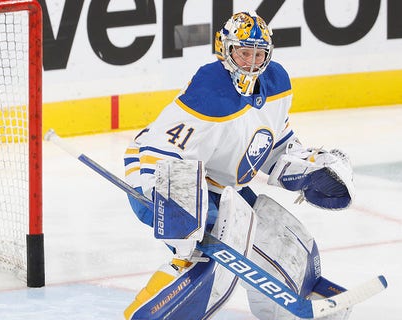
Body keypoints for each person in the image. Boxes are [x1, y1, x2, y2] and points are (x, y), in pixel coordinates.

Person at [122, 11, 356, 320]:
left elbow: (273, 148)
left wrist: (308, 168)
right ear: (226, 49)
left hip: (216, 183)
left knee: (274, 237)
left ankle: (286, 307)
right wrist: (175, 207)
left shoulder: (276, 84)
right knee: (205, 258)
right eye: (245, 52)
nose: (252, 62)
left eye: (260, 54)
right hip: (156, 174)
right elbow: (161, 151)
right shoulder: (208, 91)